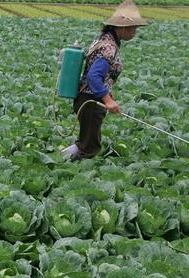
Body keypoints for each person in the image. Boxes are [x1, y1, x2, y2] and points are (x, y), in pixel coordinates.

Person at [61, 0, 148, 161]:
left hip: (87, 99)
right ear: (121, 27)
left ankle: (60, 160)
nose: (135, 32)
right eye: (133, 28)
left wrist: (108, 97)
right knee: (90, 148)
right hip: (91, 102)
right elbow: (94, 77)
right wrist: (108, 100)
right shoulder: (109, 47)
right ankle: (74, 174)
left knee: (86, 141)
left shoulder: (105, 39)